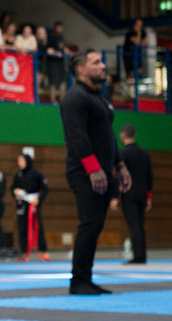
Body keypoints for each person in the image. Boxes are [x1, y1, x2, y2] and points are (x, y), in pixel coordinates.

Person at [60, 50, 131, 295]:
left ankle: (86, 278)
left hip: (103, 171)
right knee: (89, 223)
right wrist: (93, 169)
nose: (103, 66)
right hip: (84, 172)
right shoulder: (74, 98)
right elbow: (76, 136)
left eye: (102, 61)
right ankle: (78, 280)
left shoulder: (100, 99)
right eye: (96, 62)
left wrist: (120, 166)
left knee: (95, 225)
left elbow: (108, 137)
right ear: (81, 69)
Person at [111, 125, 152, 265]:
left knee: (134, 224)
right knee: (140, 224)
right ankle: (142, 254)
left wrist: (115, 196)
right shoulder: (144, 154)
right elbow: (149, 176)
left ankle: (138, 256)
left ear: (123, 135)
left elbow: (120, 176)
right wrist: (149, 196)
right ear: (134, 135)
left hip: (129, 193)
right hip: (142, 193)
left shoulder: (124, 155)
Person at [11, 153, 49, 262]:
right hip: (22, 203)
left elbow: (45, 189)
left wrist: (39, 199)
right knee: (22, 227)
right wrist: (15, 191)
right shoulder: (18, 175)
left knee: (37, 227)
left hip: (33, 203)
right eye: (19, 161)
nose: (20, 163)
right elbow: (12, 188)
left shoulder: (37, 174)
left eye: (22, 161)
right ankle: (24, 252)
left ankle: (44, 250)